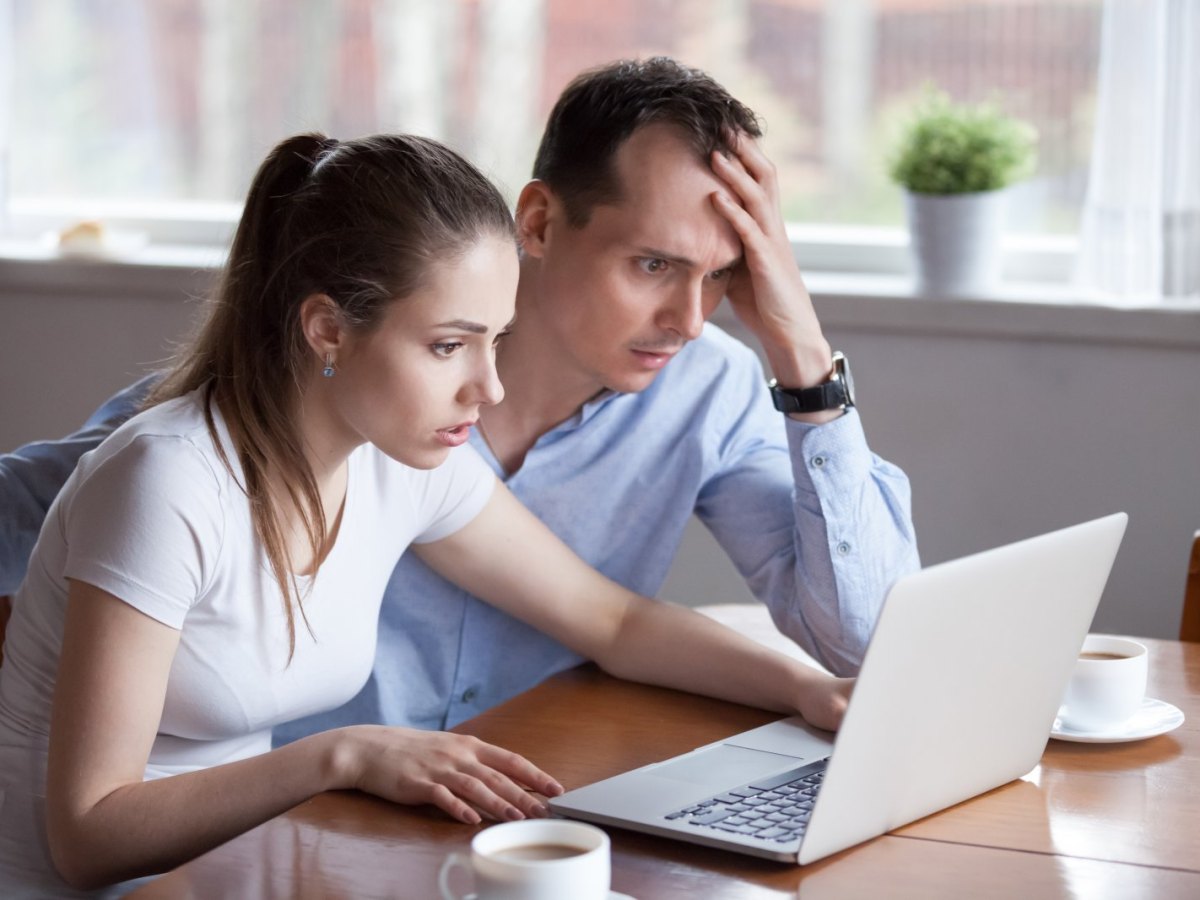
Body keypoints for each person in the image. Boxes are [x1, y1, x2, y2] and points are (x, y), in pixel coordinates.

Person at [0, 132, 851, 896]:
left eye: (494, 338)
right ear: (328, 329)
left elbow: (614, 619)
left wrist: (810, 691)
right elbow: (89, 835)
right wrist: (344, 754)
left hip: (227, 873)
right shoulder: (169, 482)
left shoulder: (396, 460)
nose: (489, 386)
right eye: (449, 345)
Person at [1, 57, 918, 738]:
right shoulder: (323, 396)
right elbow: (73, 498)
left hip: (524, 799)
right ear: (540, 222)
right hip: (286, 824)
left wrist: (803, 359)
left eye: (721, 277)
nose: (687, 317)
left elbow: (860, 638)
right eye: (653, 264)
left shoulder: (709, 391)